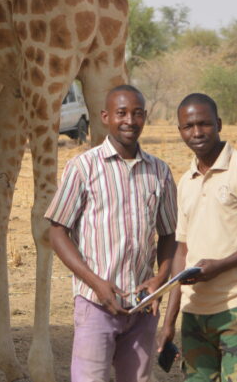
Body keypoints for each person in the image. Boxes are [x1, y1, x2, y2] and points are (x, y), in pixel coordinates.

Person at [46, 84, 177, 382]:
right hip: (96, 303)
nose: (129, 121)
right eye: (121, 113)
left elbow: (169, 234)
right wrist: (95, 283)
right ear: (106, 117)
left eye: (137, 113)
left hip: (142, 308)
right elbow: (57, 232)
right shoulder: (83, 167)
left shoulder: (160, 171)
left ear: (145, 117)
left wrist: (160, 278)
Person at [159, 93, 237, 382]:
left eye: (204, 124)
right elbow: (182, 251)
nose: (196, 132)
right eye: (188, 126)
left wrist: (220, 265)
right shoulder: (185, 181)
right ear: (180, 131)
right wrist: (169, 322)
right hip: (194, 316)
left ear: (218, 124)